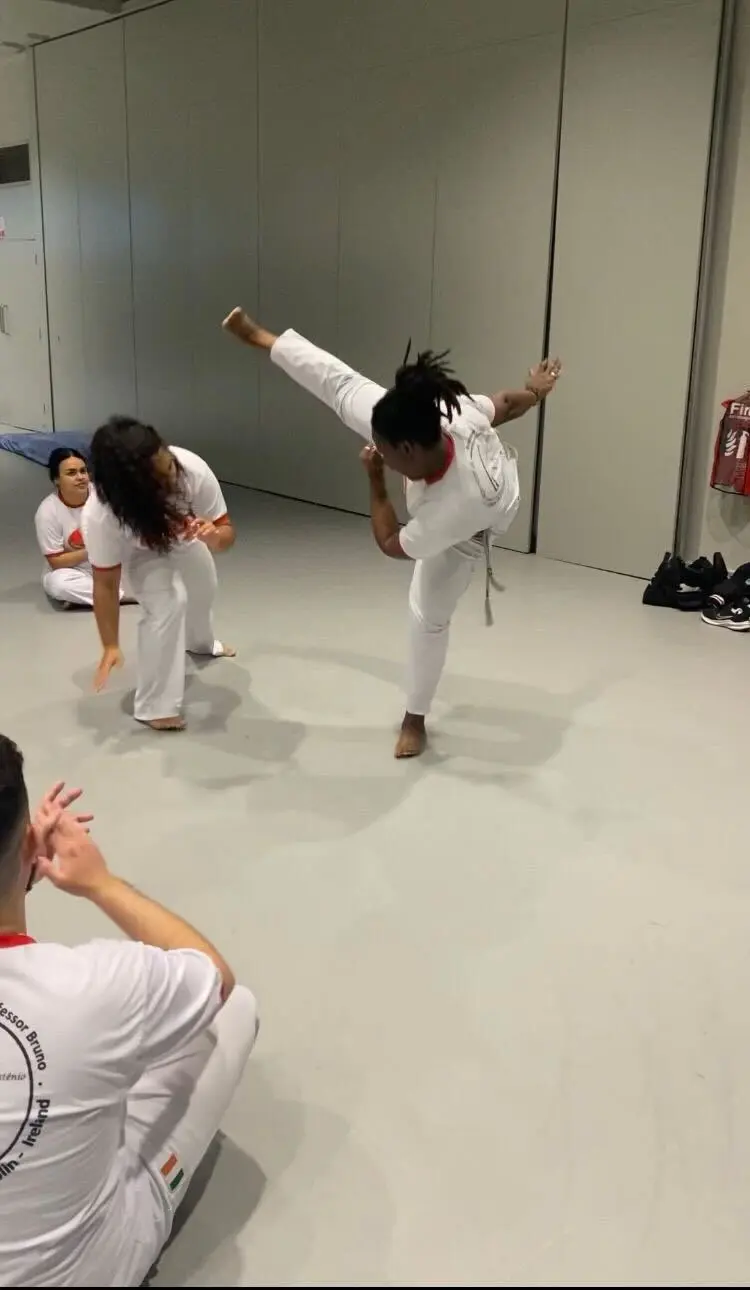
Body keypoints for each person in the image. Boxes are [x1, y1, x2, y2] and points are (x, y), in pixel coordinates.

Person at [222, 307, 561, 757]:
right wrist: (535, 392)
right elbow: (503, 404)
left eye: (381, 449)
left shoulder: (453, 512)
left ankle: (414, 718)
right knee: (344, 388)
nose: (374, 449)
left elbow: (390, 543)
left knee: (428, 617)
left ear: (404, 449)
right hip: (442, 472)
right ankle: (265, 339)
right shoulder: (444, 412)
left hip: (477, 527)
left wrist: (375, 479)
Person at [0, 733, 258, 1288]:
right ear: (28, 845)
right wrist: (100, 884)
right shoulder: (91, 985)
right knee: (231, 1012)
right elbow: (214, 977)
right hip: (83, 1274)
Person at [82, 418, 237, 731]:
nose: (170, 473)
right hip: (140, 552)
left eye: (166, 461)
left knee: (204, 589)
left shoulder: (192, 469)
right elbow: (106, 584)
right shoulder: (100, 514)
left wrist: (214, 536)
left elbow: (226, 535)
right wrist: (110, 644)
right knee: (168, 604)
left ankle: (201, 643)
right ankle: (155, 706)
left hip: (185, 538)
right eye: (157, 475)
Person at [33, 448, 132, 610]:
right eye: (71, 473)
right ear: (56, 480)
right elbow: (56, 561)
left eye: (83, 471)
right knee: (58, 584)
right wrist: (95, 547)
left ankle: (92, 597)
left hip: (113, 562)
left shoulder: (104, 496)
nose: (80, 477)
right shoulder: (47, 512)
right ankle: (120, 595)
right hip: (76, 570)